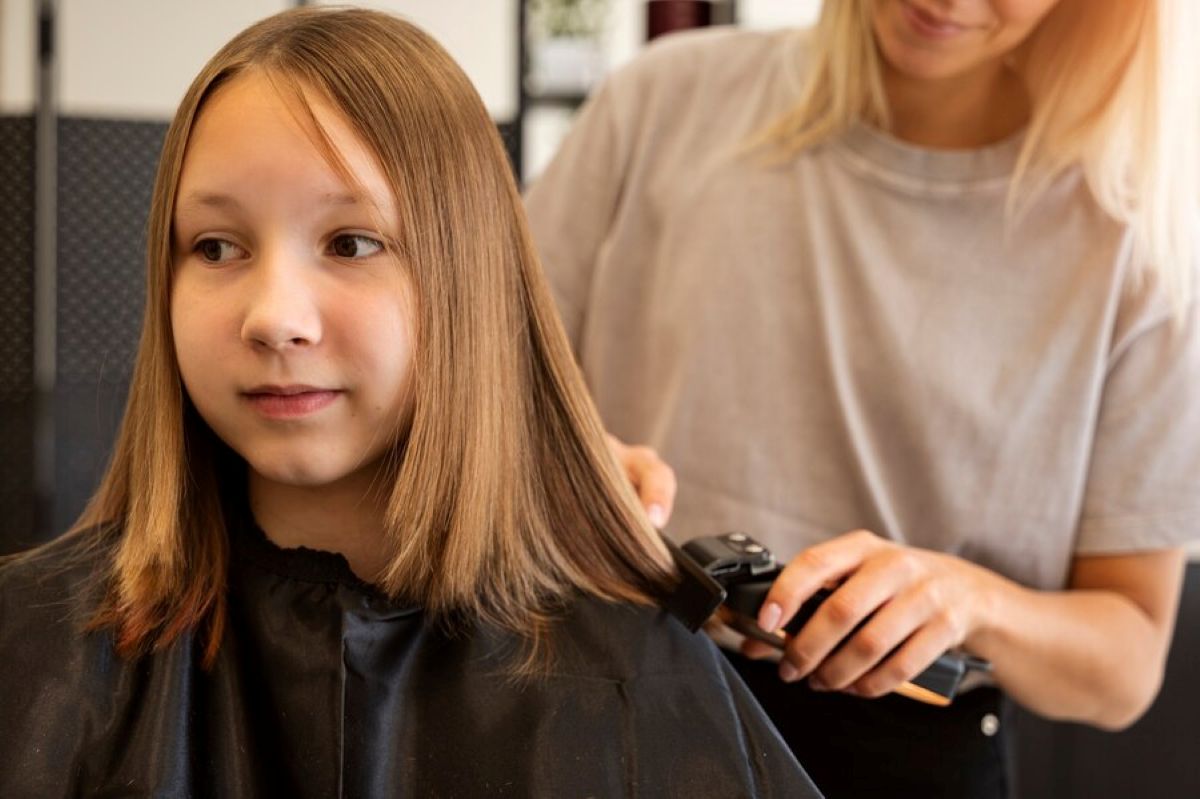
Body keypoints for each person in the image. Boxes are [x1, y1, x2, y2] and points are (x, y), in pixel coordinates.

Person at [0, 8, 823, 797]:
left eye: (351, 243)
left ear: (467, 280)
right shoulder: (32, 651)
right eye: (216, 247)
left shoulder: (633, 678)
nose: (274, 317)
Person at [525, 0, 1200, 796]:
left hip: (906, 759)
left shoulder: (1132, 250)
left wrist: (971, 602)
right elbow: (470, 388)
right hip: (602, 713)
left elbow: (1124, 662)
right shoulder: (659, 102)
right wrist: (553, 455)